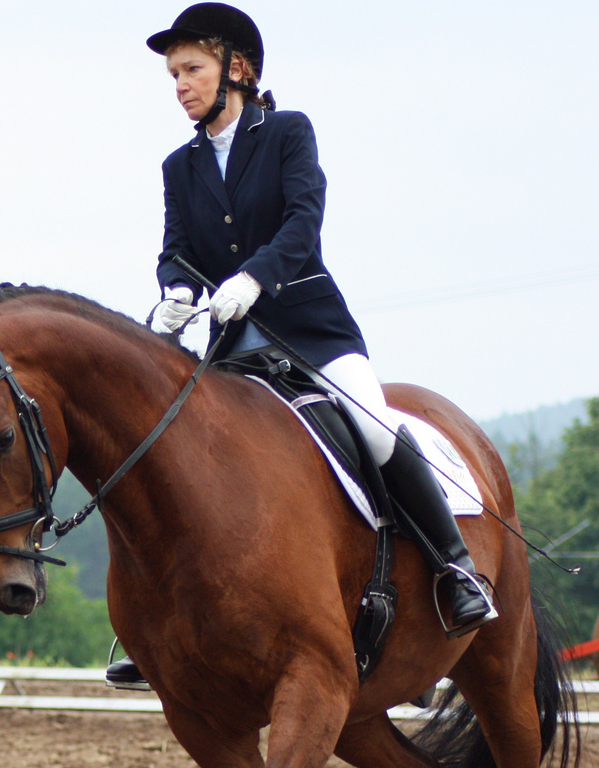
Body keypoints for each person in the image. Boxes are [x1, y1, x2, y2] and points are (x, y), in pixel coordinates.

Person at [105, 3, 496, 689]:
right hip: (234, 343)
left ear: (238, 69)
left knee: (374, 431)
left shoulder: (286, 132)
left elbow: (301, 221)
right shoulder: (179, 165)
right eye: (172, 75)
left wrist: (254, 276)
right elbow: (175, 249)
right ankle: (159, 619)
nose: (180, 86)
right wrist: (175, 289)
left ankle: (452, 568)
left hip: (310, 327)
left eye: (190, 69)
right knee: (183, 455)